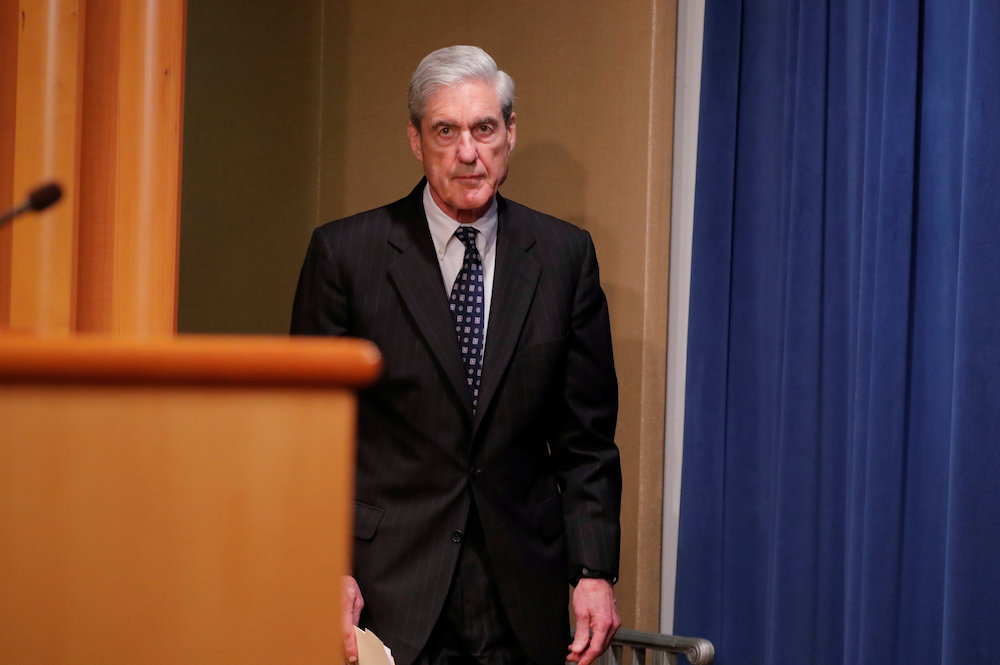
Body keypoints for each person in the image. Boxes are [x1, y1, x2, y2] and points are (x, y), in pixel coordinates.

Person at [291, 45, 621, 665]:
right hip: (388, 588)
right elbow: (309, 435)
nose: (468, 153)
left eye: (484, 129)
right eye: (446, 131)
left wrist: (594, 570)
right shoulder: (346, 255)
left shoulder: (564, 256)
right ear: (416, 140)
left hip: (521, 591)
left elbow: (587, 441)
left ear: (510, 133)